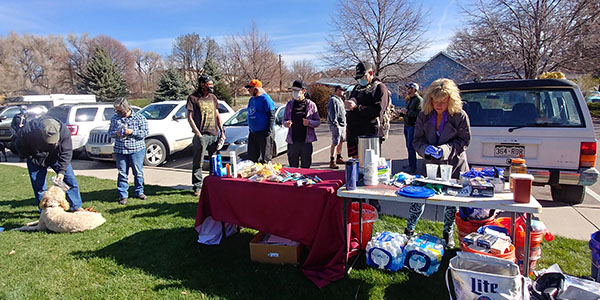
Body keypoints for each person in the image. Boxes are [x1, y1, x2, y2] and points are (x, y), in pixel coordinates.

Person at [404, 78, 471, 248]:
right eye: (436, 101)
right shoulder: (423, 115)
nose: (439, 105)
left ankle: (448, 232)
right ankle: (409, 229)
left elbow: (464, 141)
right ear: (430, 100)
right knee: (418, 197)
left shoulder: (460, 116)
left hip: (454, 166)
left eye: (443, 101)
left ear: (451, 99)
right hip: (430, 166)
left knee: (450, 203)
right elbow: (417, 140)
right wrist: (424, 149)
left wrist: (445, 150)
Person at [346, 61, 390, 212]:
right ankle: (356, 199)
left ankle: (373, 202)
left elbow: (378, 110)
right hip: (354, 134)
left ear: (370, 74)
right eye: (358, 78)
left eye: (363, 76)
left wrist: (357, 107)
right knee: (356, 168)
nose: (360, 80)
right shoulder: (357, 88)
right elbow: (354, 99)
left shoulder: (379, 88)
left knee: (370, 168)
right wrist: (352, 101)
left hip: (370, 134)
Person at [14, 116, 83, 212]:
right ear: (40, 131)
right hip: (36, 159)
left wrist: (62, 171)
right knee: (39, 186)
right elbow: (19, 145)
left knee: (70, 181)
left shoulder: (64, 131)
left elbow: (66, 152)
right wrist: (30, 157)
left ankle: (76, 207)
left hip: (56, 157)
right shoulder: (27, 130)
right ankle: (44, 211)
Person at [186, 75, 226, 196]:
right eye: (209, 84)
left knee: (214, 161)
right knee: (198, 162)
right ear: (202, 85)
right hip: (201, 136)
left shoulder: (213, 98)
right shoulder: (193, 98)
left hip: (214, 134)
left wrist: (222, 132)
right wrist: (197, 133)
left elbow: (217, 115)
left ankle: (212, 184)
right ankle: (197, 186)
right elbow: (189, 117)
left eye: (212, 84)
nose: (211, 86)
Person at [108, 98, 149, 205]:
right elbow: (110, 133)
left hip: (137, 149)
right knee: (122, 173)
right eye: (117, 111)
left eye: (120, 111)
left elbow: (145, 133)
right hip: (120, 150)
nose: (118, 113)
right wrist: (116, 133)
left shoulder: (139, 118)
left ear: (127, 108)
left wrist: (132, 132)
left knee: (138, 172)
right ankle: (123, 195)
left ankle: (139, 192)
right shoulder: (115, 119)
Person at [283, 80, 320, 168]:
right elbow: (284, 120)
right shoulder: (290, 104)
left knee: (306, 167)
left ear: (304, 91)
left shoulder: (311, 105)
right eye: (293, 91)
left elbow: (317, 121)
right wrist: (286, 123)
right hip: (293, 142)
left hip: (306, 142)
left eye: (296, 90)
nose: (294, 93)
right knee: (293, 167)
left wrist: (309, 123)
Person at [245, 79, 276, 163]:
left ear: (256, 89)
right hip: (253, 132)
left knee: (265, 159)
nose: (248, 90)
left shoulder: (266, 99)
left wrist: (268, 131)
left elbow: (271, 115)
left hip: (264, 133)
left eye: (250, 88)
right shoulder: (251, 100)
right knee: (252, 158)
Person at [398, 83, 422, 174]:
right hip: (407, 125)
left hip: (413, 126)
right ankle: (410, 164)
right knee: (408, 146)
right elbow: (407, 112)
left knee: (411, 146)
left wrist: (407, 112)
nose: (408, 90)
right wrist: (400, 114)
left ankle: (413, 167)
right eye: (408, 88)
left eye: (410, 88)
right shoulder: (410, 100)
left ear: (415, 90)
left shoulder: (418, 100)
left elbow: (420, 114)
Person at [327, 85, 346, 169]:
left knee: (341, 141)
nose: (343, 92)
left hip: (343, 124)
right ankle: (332, 160)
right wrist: (335, 124)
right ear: (337, 90)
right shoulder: (333, 100)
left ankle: (339, 157)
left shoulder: (340, 100)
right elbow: (332, 113)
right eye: (342, 90)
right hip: (336, 125)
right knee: (335, 142)